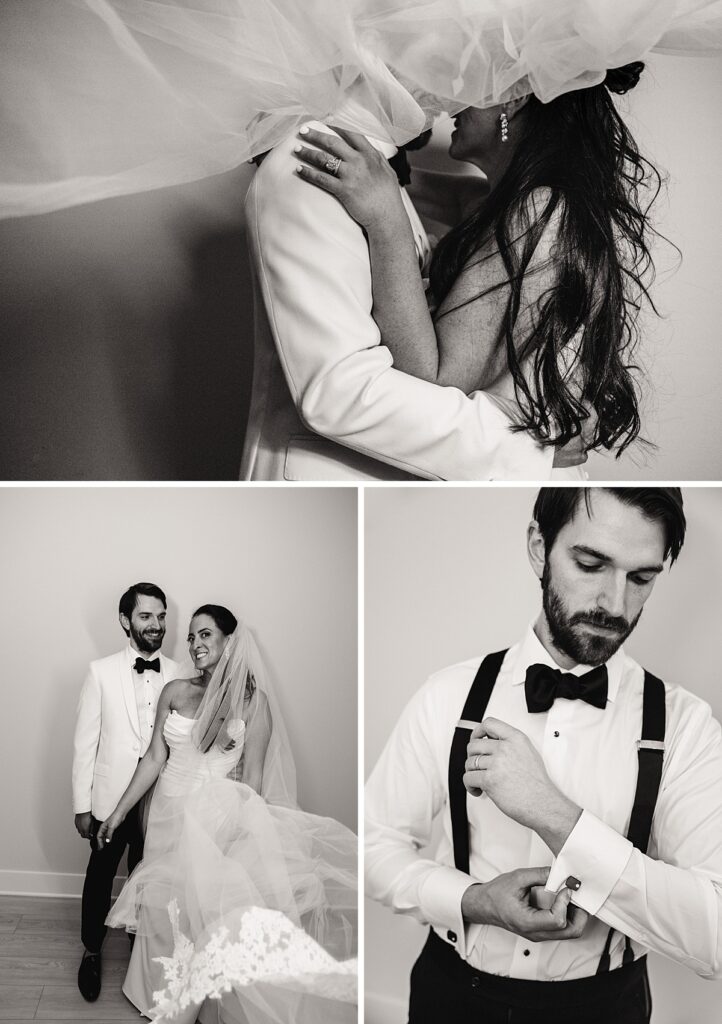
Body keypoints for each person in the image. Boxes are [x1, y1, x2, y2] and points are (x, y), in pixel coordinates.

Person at [365, 488, 722, 1023]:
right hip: (450, 996)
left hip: (603, 1008)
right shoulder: (448, 695)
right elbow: (373, 844)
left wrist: (554, 815)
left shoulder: (686, 726)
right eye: (590, 563)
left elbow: (714, 932)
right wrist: (474, 900)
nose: (615, 603)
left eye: (642, 578)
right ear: (539, 546)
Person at [295, 62, 655, 464]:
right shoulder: (508, 200)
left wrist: (386, 219)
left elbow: (434, 381)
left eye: (473, 83)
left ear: (513, 98)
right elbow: (416, 188)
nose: (452, 100)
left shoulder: (542, 211)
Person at [100, 604, 357, 1024]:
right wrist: (117, 813)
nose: (195, 644)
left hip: (214, 817)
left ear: (228, 641)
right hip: (166, 809)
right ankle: (152, 994)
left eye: (205, 635)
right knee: (165, 906)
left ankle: (194, 1004)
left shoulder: (254, 703)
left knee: (202, 908)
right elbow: (153, 758)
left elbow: (252, 780)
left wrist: (241, 831)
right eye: (192, 637)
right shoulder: (175, 691)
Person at [72, 582, 183, 1002]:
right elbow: (85, 742)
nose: (156, 625)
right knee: (100, 877)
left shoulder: (180, 673)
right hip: (110, 799)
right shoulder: (99, 671)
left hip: (162, 800)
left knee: (150, 876)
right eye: (145, 616)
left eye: (161, 616)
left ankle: (142, 952)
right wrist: (83, 806)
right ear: (125, 621)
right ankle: (91, 950)